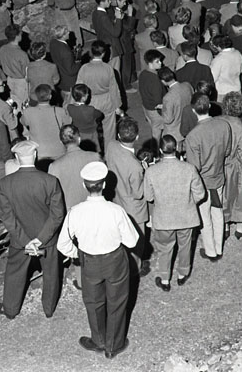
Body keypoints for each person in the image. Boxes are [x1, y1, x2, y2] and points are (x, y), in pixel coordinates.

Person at [57, 161, 138, 359]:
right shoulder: (116, 211)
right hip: (115, 261)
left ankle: (98, 340)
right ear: (104, 185)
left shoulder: (75, 212)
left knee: (93, 302)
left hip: (89, 262)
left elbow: (62, 245)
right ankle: (113, 346)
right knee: (117, 301)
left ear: (84, 185)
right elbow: (132, 240)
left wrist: (78, 254)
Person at [0, 139, 65, 320]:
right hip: (47, 239)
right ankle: (49, 309)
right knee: (51, 274)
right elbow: (57, 215)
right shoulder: (50, 181)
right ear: (35, 155)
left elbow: (8, 218)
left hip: (20, 241)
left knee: (14, 273)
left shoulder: (5, 184)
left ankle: (11, 310)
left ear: (17, 158)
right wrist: (40, 239)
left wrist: (26, 241)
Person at [143, 135, 206, 291]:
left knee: (164, 248)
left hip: (163, 218)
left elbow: (149, 197)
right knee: (185, 246)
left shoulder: (151, 171)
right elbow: (200, 194)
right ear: (176, 148)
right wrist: (188, 203)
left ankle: (165, 279)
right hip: (186, 217)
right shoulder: (189, 168)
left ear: (160, 150)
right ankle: (183, 274)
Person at [184, 94, 232, 261]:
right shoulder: (224, 125)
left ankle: (210, 250)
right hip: (218, 177)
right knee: (218, 212)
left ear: (193, 110)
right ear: (209, 106)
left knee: (205, 216)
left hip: (203, 182)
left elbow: (194, 167)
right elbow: (227, 151)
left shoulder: (192, 136)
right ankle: (219, 247)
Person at [105, 117, 149, 274]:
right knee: (137, 241)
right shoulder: (135, 166)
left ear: (118, 135)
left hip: (116, 199)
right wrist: (146, 173)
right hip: (133, 208)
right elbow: (139, 193)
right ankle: (135, 269)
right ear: (137, 137)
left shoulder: (111, 146)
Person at [76, 41, 123, 149]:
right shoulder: (108, 68)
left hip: (90, 101)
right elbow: (114, 90)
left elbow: (78, 88)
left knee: (91, 131)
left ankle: (94, 151)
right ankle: (109, 151)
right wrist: (117, 107)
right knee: (109, 130)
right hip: (107, 101)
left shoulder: (84, 68)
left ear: (91, 52)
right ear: (103, 53)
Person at [220, 92, 242, 238]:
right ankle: (240, 227)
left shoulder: (218, 122)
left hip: (220, 165)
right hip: (237, 167)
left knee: (223, 196)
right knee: (240, 195)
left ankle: (225, 225)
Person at [20, 84, 71, 163]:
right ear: (50, 96)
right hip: (58, 151)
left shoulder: (28, 112)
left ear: (36, 97)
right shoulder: (60, 111)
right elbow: (69, 123)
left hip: (39, 152)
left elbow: (23, 122)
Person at [159, 67, 193, 145]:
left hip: (174, 132)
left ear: (163, 81)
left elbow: (168, 119)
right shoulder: (187, 85)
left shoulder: (168, 97)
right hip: (188, 126)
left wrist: (163, 109)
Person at [91, 0, 124, 73]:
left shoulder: (95, 13)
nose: (110, 1)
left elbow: (104, 28)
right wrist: (118, 19)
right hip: (112, 48)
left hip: (103, 46)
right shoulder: (103, 17)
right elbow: (116, 33)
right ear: (102, 2)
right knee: (115, 73)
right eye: (108, 0)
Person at [0, 24, 29, 107]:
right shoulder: (21, 54)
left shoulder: (2, 49)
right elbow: (27, 72)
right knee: (23, 105)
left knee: (13, 104)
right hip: (21, 82)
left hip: (9, 80)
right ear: (17, 36)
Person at [66, 84, 103, 152]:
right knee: (94, 151)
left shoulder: (69, 107)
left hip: (78, 133)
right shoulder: (90, 109)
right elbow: (100, 114)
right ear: (83, 98)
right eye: (87, 94)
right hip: (91, 132)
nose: (88, 95)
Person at [49, 25, 81, 102]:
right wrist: (78, 63)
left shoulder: (53, 42)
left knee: (64, 100)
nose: (69, 33)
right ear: (63, 36)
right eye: (67, 32)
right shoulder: (66, 52)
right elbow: (71, 71)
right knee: (69, 102)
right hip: (69, 82)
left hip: (61, 78)